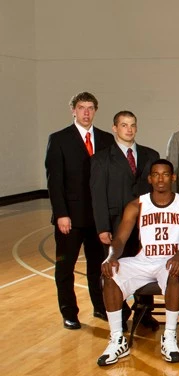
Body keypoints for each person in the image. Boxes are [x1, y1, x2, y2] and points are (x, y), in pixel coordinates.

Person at [96, 160, 179, 366]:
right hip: (144, 260)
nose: (161, 179)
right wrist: (111, 256)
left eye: (166, 174)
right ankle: (117, 339)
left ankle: (169, 336)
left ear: (173, 177)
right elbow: (120, 238)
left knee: (173, 274)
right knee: (110, 274)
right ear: (150, 179)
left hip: (169, 260)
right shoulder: (136, 205)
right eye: (156, 175)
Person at [45, 92, 115, 329]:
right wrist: (61, 214)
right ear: (73, 110)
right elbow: (54, 182)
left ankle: (100, 307)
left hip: (97, 218)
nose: (86, 112)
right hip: (70, 218)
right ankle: (69, 312)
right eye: (81, 107)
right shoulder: (59, 139)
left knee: (98, 266)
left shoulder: (106, 139)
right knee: (65, 267)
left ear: (95, 110)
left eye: (90, 108)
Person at [90, 110, 161, 329]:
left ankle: (144, 312)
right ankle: (118, 314)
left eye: (132, 125)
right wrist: (102, 227)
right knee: (115, 268)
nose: (128, 129)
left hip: (145, 224)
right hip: (115, 223)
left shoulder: (150, 155)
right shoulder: (101, 159)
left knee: (144, 266)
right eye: (123, 125)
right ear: (115, 128)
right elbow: (98, 194)